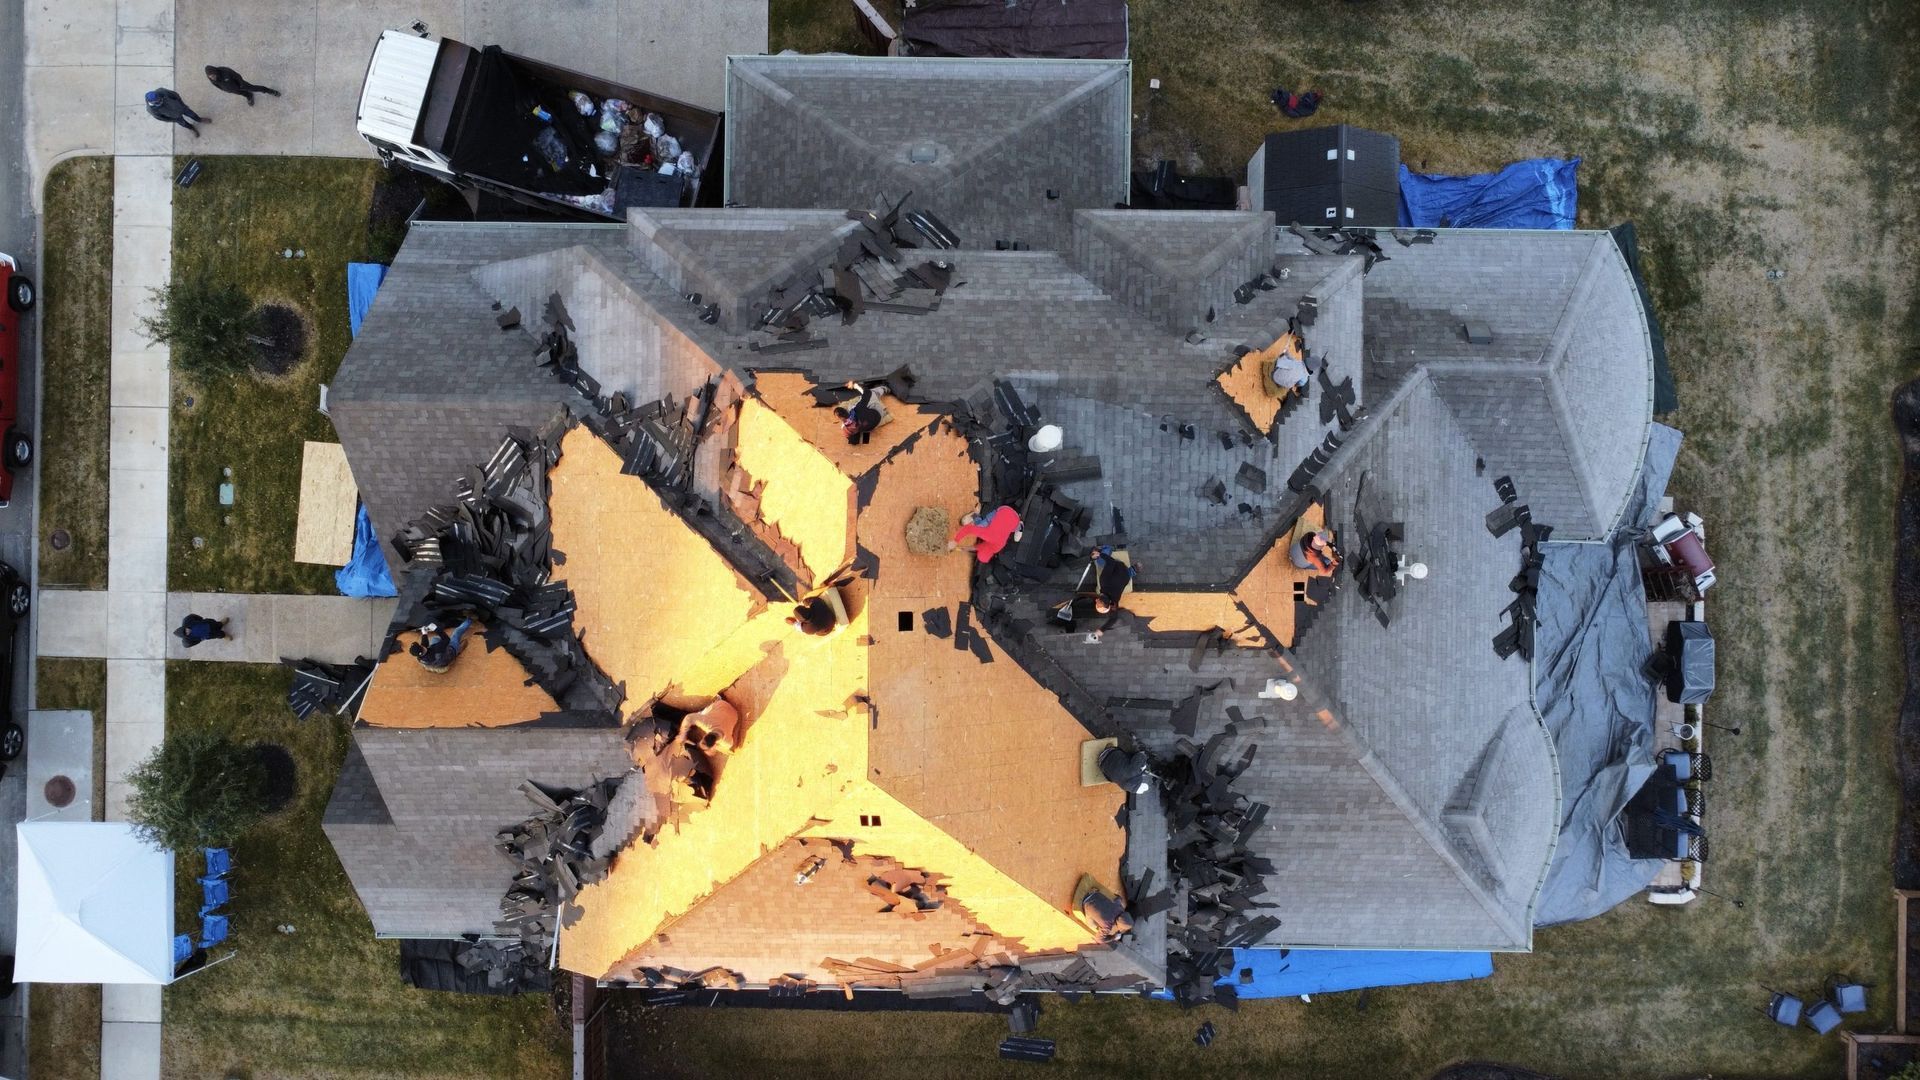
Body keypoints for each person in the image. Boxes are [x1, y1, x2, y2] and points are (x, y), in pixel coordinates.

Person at [1084, 547, 1136, 643]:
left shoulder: (1114, 602)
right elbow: (1111, 562)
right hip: (1120, 567)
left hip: (1125, 577)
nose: (1096, 601)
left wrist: (1102, 630)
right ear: (1099, 598)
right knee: (1099, 561)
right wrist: (1100, 555)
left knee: (1121, 577)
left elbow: (1113, 619)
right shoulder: (1104, 582)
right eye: (1098, 601)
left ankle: (1133, 570)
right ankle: (1104, 549)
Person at [948, 505, 1022, 563]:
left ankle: (1020, 526)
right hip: (1004, 510)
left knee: (1011, 528)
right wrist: (955, 541)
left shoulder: (996, 548)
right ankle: (975, 515)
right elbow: (968, 529)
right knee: (980, 525)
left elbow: (980, 547)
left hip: (1015, 519)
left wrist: (964, 548)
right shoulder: (987, 535)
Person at [408, 617, 474, 673]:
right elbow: (446, 640)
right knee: (456, 633)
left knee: (434, 638)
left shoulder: (419, 658)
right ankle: (470, 619)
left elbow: (424, 646)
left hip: (436, 661)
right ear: (421, 647)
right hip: (449, 653)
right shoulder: (437, 649)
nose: (421, 645)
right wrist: (436, 629)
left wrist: (424, 634)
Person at [205, 65, 281, 106]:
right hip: (233, 90)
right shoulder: (212, 80)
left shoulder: (225, 71)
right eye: (210, 77)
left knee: (255, 88)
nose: (212, 77)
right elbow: (218, 86)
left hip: (242, 85)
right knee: (243, 93)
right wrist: (226, 90)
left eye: (212, 75)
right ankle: (249, 96)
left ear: (215, 71)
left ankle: (270, 91)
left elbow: (237, 76)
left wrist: (241, 83)